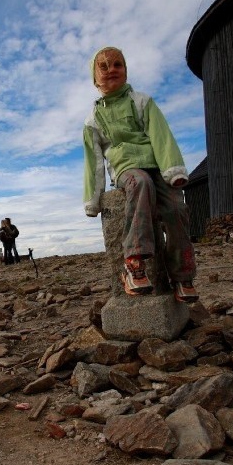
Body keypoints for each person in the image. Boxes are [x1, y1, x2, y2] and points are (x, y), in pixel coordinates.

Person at [82, 46, 198, 303]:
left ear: (125, 70)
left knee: (176, 208)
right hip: (126, 169)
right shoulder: (93, 119)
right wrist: (93, 198)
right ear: (94, 77)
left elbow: (161, 136)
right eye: (103, 66)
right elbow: (94, 161)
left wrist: (173, 171)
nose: (111, 69)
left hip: (156, 165)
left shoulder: (142, 101)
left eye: (117, 64)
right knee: (141, 183)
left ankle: (182, 275)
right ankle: (133, 263)